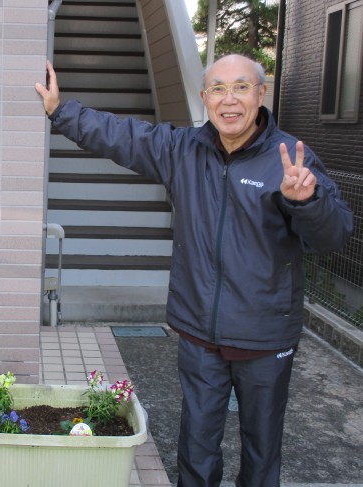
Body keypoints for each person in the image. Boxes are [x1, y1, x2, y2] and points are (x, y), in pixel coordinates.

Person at [35, 55, 353, 486]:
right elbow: (123, 136)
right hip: (200, 333)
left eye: (241, 87)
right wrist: (61, 111)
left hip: (264, 334)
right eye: (218, 89)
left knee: (262, 453)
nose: (229, 99)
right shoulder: (183, 150)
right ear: (205, 98)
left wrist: (306, 202)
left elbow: (333, 236)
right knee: (196, 448)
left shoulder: (289, 160)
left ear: (261, 94)